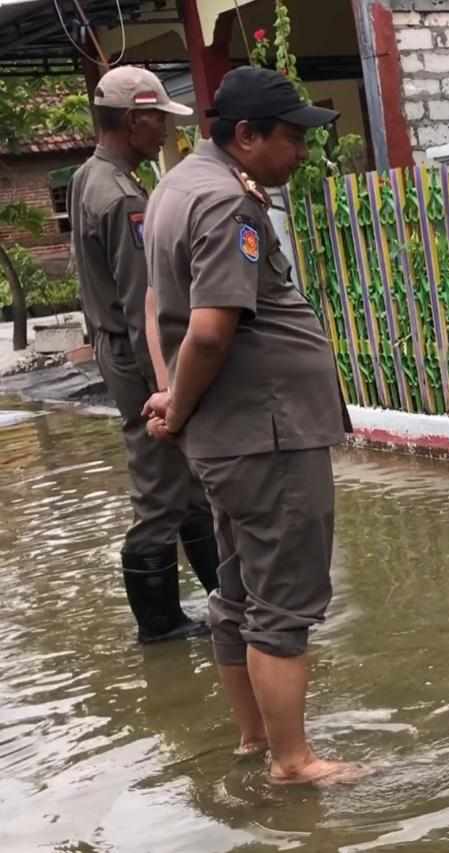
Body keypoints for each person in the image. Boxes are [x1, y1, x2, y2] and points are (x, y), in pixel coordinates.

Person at [141, 66, 360, 785]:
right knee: (283, 601)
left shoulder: (175, 187)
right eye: (291, 138)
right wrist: (176, 400)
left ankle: (253, 738)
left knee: (235, 593)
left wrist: (173, 395)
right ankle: (293, 762)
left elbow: (155, 303)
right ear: (246, 135)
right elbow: (208, 329)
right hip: (267, 432)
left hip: (230, 437)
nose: (301, 152)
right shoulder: (228, 206)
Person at [68, 66, 221, 645]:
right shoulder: (123, 198)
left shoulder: (89, 177)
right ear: (134, 119)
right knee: (162, 491)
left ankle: (219, 602)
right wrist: (168, 393)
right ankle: (159, 629)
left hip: (115, 351)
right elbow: (145, 309)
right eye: (159, 118)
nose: (164, 131)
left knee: (188, 487)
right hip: (136, 360)